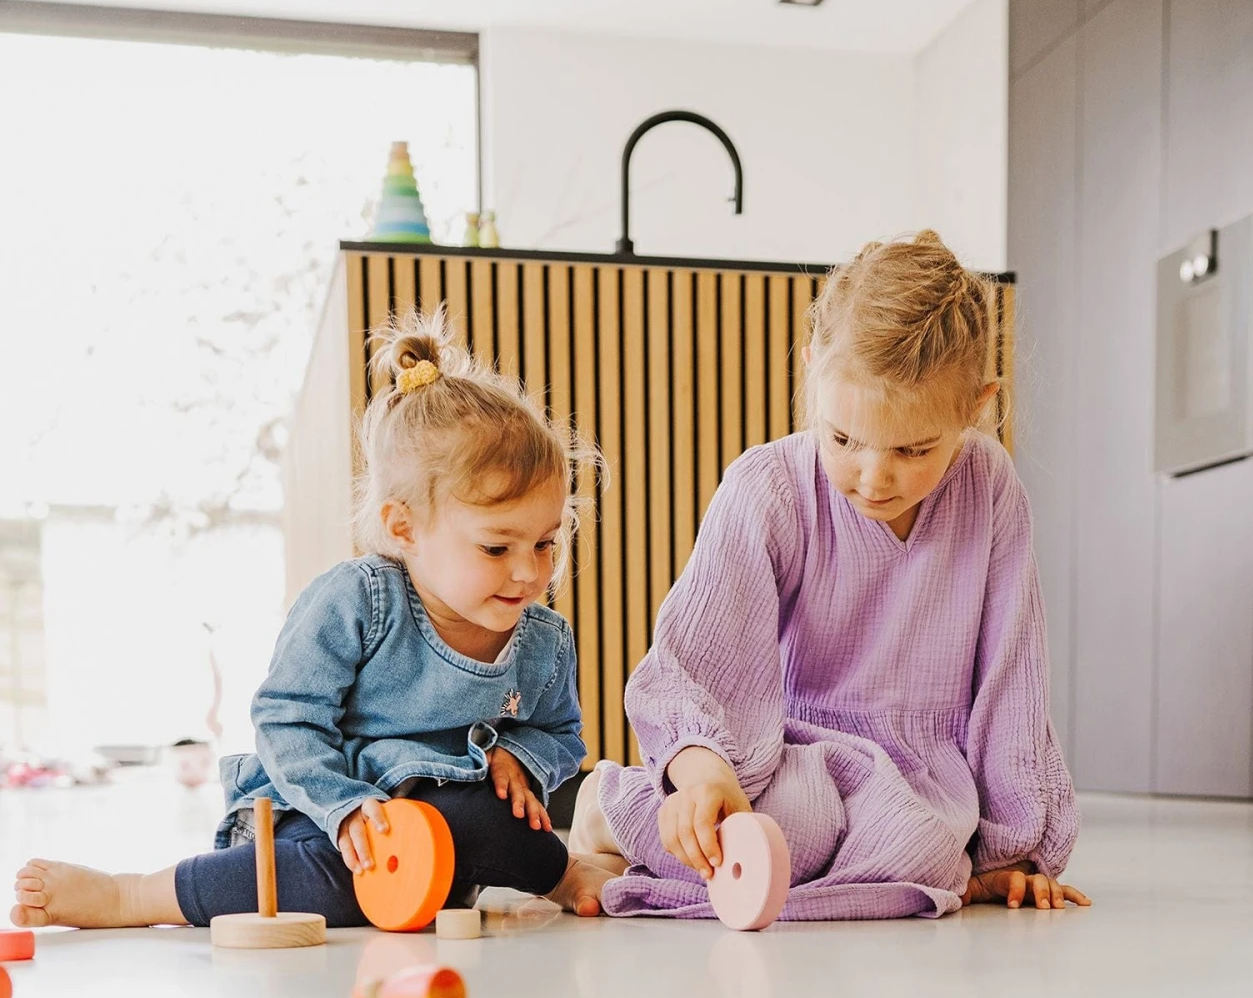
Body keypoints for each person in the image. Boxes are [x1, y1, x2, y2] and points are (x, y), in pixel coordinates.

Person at [11, 311, 615, 929]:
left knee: (501, 823)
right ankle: (136, 896)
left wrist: (520, 753)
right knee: (325, 884)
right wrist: (346, 807)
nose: (529, 573)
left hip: (446, 828)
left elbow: (562, 734)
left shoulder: (542, 639)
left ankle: (559, 872)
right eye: (497, 548)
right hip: (323, 813)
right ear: (405, 528)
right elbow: (287, 719)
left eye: (545, 543)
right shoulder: (358, 602)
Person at [566, 231, 1090, 919]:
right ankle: (612, 807)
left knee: (924, 848)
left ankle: (676, 851)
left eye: (913, 449)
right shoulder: (768, 487)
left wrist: (1011, 851)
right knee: (787, 834)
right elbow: (695, 661)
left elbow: (1011, 675)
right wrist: (703, 771)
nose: (873, 478)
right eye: (843, 439)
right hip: (786, 759)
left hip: (920, 781)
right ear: (814, 371)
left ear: (976, 406)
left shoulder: (989, 487)